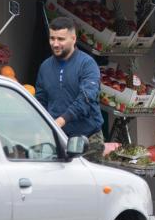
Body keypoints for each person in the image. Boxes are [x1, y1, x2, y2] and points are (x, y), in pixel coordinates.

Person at [35, 17, 106, 163]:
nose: (55, 44)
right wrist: (40, 126)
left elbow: (86, 98)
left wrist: (60, 121)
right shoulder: (45, 67)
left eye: (61, 39)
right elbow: (40, 100)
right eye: (52, 38)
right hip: (57, 138)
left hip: (87, 139)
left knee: (88, 185)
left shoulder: (87, 64)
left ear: (73, 39)